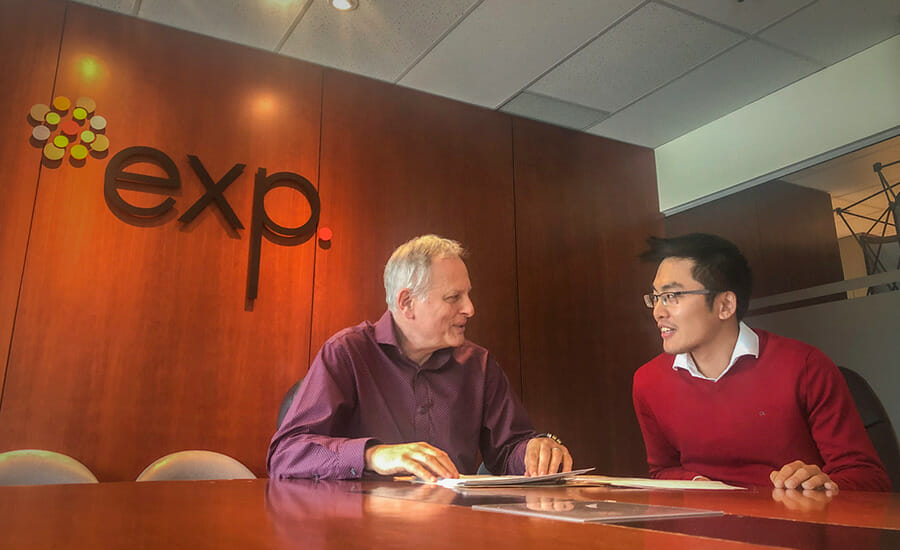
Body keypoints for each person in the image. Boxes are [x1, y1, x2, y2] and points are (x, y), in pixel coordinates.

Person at [268, 234, 573, 481]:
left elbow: (508, 450)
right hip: (359, 532)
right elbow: (286, 453)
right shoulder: (347, 353)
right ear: (407, 303)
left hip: (453, 531)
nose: (470, 309)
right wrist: (375, 455)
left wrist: (536, 449)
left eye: (467, 295)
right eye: (454, 297)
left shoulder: (479, 365)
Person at [632, 233, 890, 491]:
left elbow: (870, 479)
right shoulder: (648, 381)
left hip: (792, 523)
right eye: (656, 297)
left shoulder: (805, 366)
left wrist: (826, 487)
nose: (658, 311)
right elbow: (662, 470)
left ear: (725, 305)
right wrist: (699, 485)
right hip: (705, 526)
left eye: (672, 295)